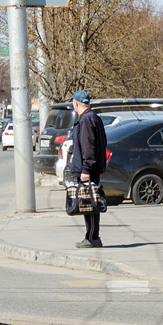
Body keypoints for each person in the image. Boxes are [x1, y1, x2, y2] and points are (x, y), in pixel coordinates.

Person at [66, 90, 107, 248]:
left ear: (76, 103)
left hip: (88, 170)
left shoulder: (86, 120)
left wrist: (86, 169)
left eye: (73, 103)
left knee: (88, 203)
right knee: (90, 203)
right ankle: (91, 236)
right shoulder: (93, 117)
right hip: (91, 168)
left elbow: (88, 147)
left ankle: (92, 237)